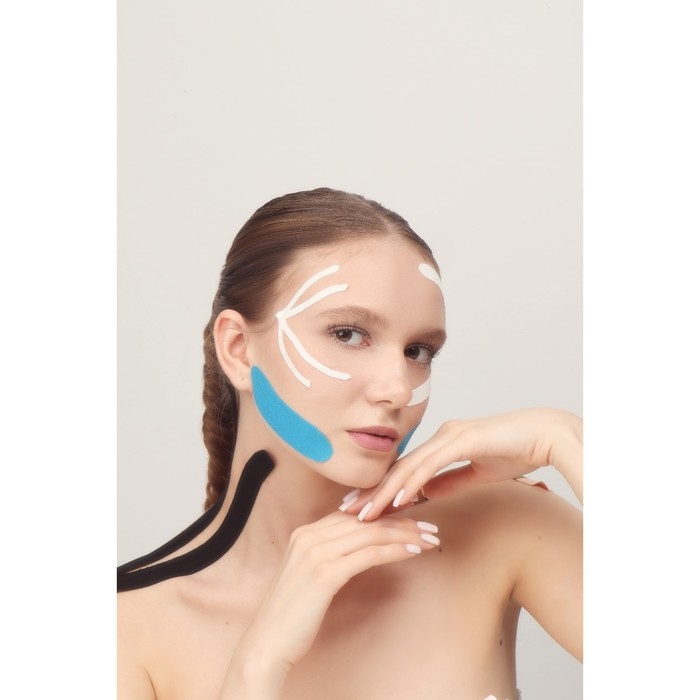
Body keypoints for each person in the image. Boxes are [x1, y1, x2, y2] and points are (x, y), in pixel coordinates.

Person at [117, 187, 582, 700]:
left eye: (418, 350)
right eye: (347, 334)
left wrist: (571, 443)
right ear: (239, 348)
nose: (398, 388)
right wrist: (258, 664)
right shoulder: (125, 629)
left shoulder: (501, 525)